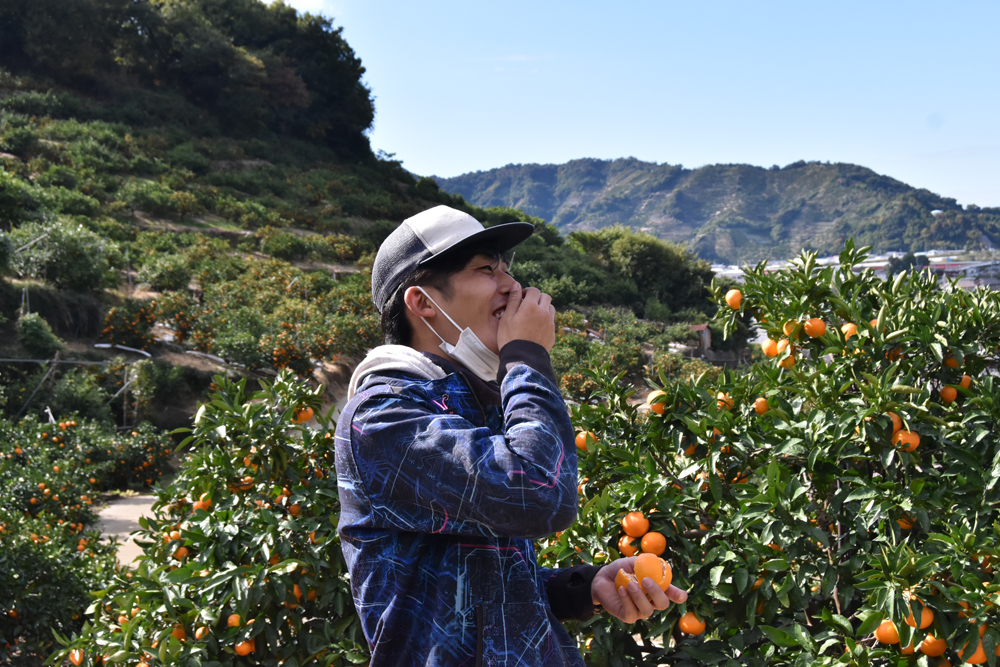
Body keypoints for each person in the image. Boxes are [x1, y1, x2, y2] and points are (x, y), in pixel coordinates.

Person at [334, 205, 686, 665]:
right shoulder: (384, 417)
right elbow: (537, 494)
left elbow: (469, 583)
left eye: (506, 269)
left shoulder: (475, 400)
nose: (510, 285)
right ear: (422, 303)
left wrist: (581, 588)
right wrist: (526, 356)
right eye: (485, 269)